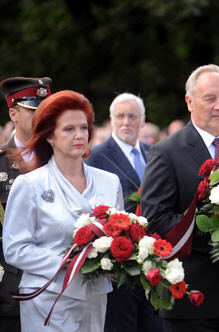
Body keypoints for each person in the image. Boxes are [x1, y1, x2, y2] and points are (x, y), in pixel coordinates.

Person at [140, 64, 219, 332]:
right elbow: (156, 220)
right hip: (193, 296)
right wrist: (218, 227)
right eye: (210, 99)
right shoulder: (167, 152)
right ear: (189, 101)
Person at [2, 90, 123, 331]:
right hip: (47, 296)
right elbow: (15, 249)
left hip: (95, 293)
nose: (79, 135)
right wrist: (69, 261)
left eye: (84, 128)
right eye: (69, 129)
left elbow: (120, 233)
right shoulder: (30, 184)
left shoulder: (110, 182)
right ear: (49, 136)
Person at [86, 93, 160, 332]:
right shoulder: (95, 157)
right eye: (120, 116)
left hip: (154, 260)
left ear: (143, 120)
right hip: (119, 263)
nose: (126, 122)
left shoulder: (155, 153)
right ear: (111, 119)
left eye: (132, 116)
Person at [0, 76, 52, 332]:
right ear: (14, 114)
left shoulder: (64, 161)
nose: (44, 116)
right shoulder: (1, 164)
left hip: (60, 289)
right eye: (34, 110)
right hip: (12, 289)